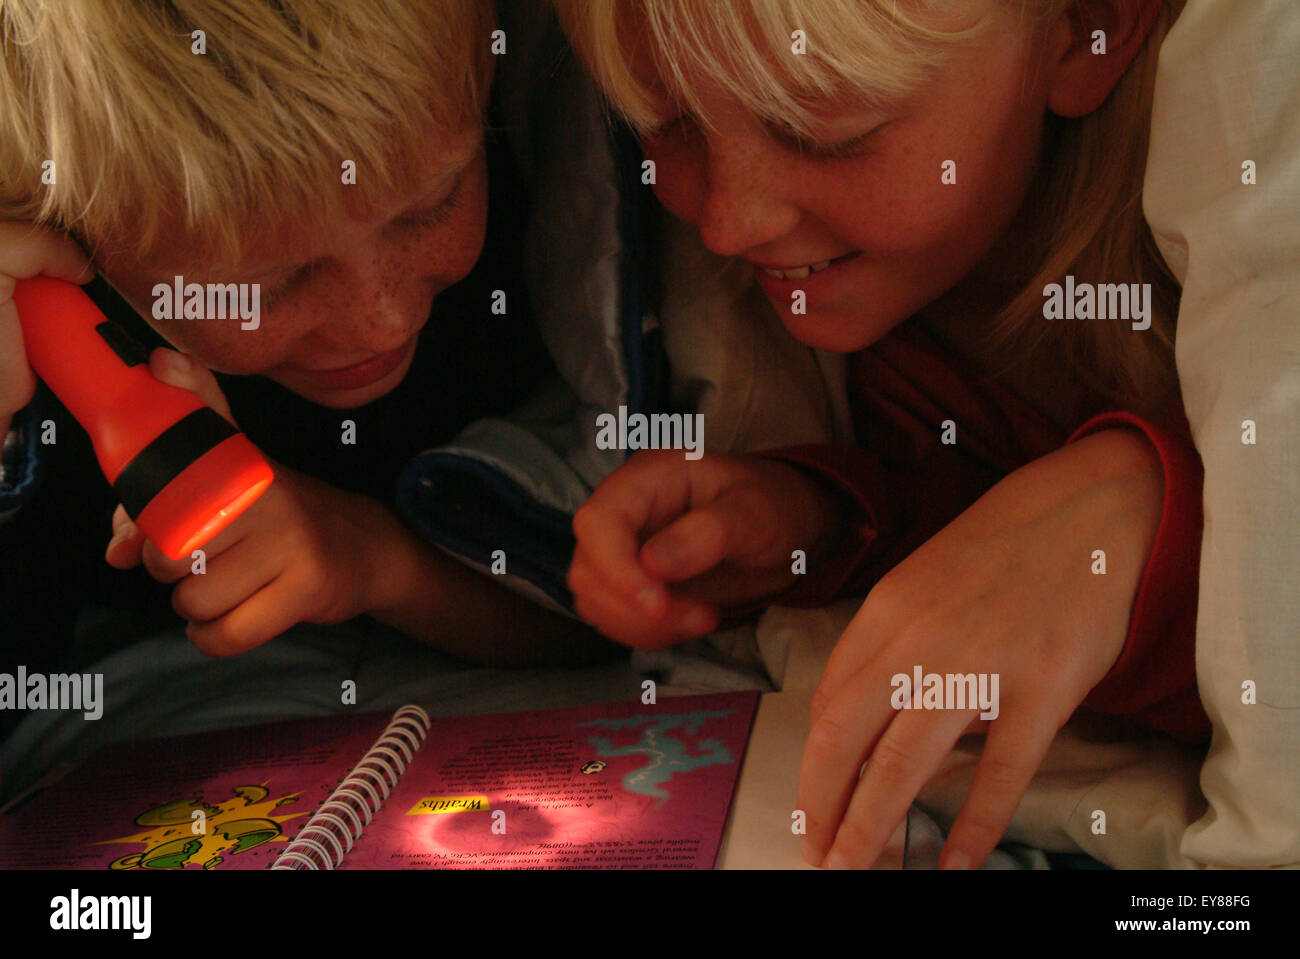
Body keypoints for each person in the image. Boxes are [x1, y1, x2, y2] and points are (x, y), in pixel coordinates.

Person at [557, 0, 1206, 869]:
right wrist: (814, 519)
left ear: (1090, 27)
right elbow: (958, 517)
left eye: (818, 132)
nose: (725, 223)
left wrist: (1147, 531)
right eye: (669, 124)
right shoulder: (907, 317)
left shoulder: (1225, 253)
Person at [0, 0, 637, 775]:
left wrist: (371, 557)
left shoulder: (556, 194)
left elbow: (611, 612)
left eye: (433, 205)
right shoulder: (36, 353)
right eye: (270, 284)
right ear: (62, 231)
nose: (382, 317)